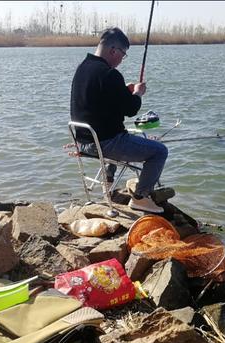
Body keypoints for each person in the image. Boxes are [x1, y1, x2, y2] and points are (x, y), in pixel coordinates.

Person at [70, 27, 168, 213]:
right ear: (113, 50)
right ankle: (141, 197)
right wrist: (138, 94)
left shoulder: (83, 68)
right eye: (123, 54)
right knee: (159, 151)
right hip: (105, 143)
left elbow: (99, 97)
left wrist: (124, 90)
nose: (122, 60)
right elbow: (131, 110)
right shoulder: (110, 74)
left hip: (83, 142)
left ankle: (107, 179)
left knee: (122, 132)